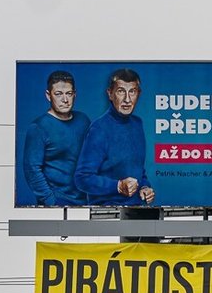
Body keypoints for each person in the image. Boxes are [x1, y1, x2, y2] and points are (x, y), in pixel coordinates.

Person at [74, 67, 156, 205]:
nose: (127, 99)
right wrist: (117, 186)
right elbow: (82, 178)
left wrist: (145, 187)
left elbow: (138, 172)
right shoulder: (98, 129)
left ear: (139, 94)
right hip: (107, 214)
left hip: (136, 210)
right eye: (120, 91)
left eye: (132, 92)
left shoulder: (137, 124)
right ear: (110, 94)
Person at [22, 70, 91, 206]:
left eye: (69, 94)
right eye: (58, 94)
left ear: (74, 94)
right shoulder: (38, 127)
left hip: (85, 200)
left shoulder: (83, 121)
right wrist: (50, 201)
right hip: (57, 202)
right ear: (48, 95)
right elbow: (32, 169)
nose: (65, 100)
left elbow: (94, 157)